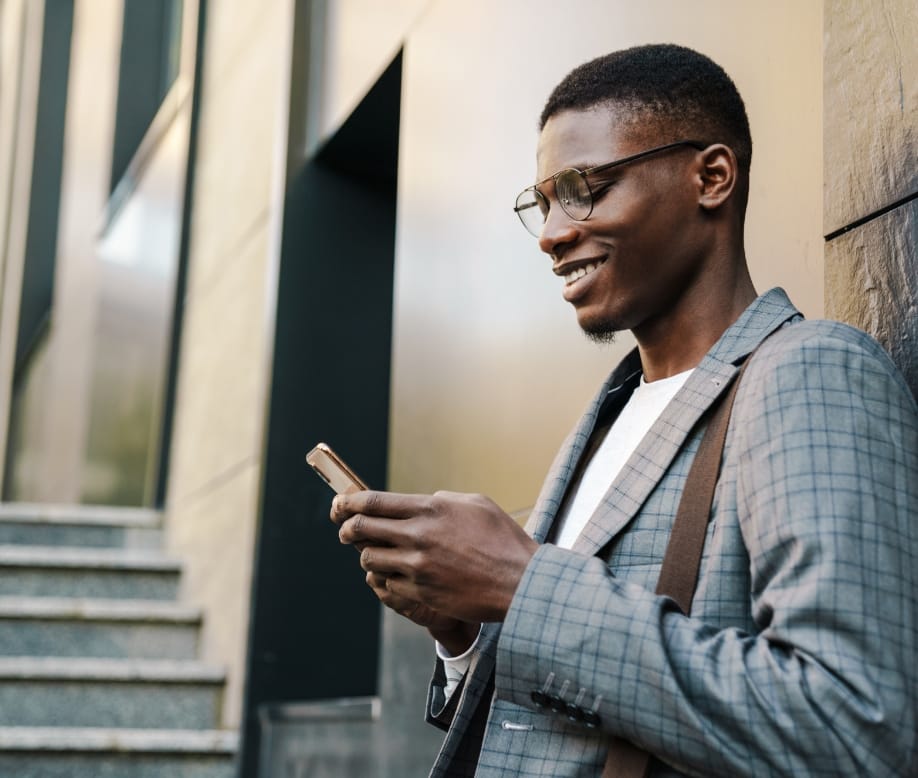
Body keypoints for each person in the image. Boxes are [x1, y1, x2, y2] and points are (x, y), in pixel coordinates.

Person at [331, 44, 918, 776]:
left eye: (584, 187)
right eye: (542, 202)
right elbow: (558, 714)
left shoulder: (810, 372)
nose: (550, 233)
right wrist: (465, 632)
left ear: (711, 178)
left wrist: (522, 583)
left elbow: (854, 726)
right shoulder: (607, 417)